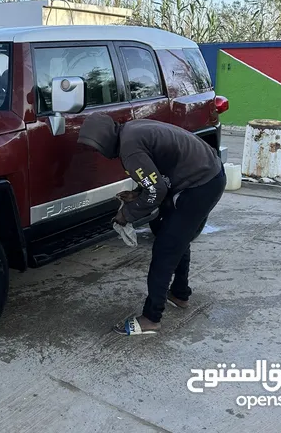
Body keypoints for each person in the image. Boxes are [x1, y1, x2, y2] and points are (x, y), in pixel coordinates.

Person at [77, 113, 226, 336]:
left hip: (201, 184)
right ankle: (180, 293)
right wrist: (138, 193)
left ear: (105, 139)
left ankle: (151, 318)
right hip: (206, 174)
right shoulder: (130, 131)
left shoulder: (130, 149)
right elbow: (156, 173)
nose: (99, 153)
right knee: (176, 237)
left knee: (166, 247)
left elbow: (157, 190)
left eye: (97, 147)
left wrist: (126, 214)